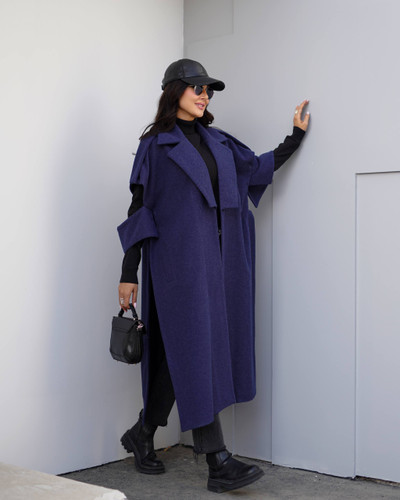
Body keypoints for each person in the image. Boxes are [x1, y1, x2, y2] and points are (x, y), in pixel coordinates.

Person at [117, 58, 310, 493]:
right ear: (174, 92)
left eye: (208, 90)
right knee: (197, 351)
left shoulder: (219, 143)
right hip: (178, 267)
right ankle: (217, 460)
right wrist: (129, 272)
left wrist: (295, 137)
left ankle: (142, 434)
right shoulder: (155, 147)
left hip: (220, 266)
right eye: (197, 88)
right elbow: (139, 210)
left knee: (180, 354)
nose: (204, 96)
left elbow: (256, 168)